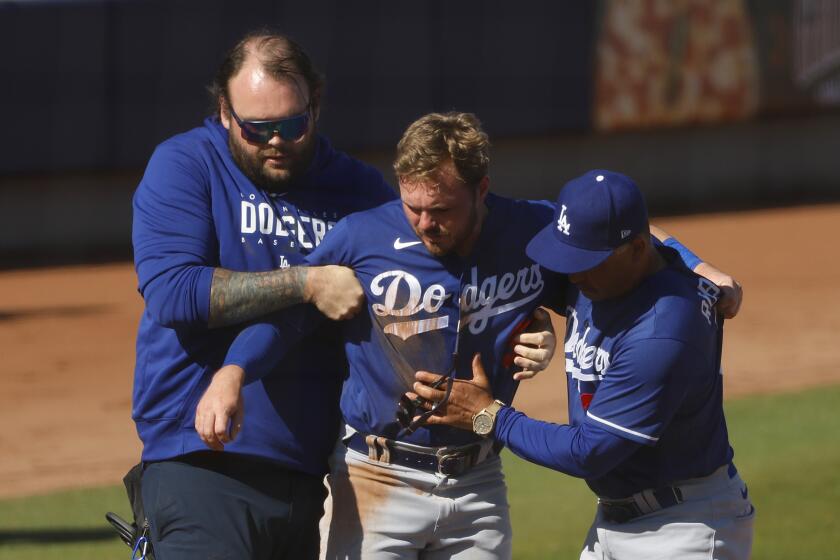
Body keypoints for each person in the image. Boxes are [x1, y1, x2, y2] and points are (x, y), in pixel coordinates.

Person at [204, 113, 742, 559]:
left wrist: (698, 266)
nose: (423, 222)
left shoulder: (530, 230)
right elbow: (293, 314)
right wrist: (234, 372)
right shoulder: (361, 237)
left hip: (478, 483)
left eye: (440, 209)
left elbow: (625, 235)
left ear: (482, 189)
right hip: (375, 478)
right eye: (411, 205)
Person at [130, 30, 399, 559]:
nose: (276, 140)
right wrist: (308, 280)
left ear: (316, 104)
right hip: (200, 459)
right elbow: (174, 292)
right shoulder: (187, 165)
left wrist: (523, 326)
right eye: (257, 128)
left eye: (292, 125)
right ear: (225, 112)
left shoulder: (358, 191)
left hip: (306, 471)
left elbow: (424, 275)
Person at [410, 170, 755, 559]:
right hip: (615, 521)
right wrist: (697, 262)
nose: (572, 272)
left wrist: (487, 415)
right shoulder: (606, 269)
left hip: (683, 529)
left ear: (637, 251)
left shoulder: (664, 330)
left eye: (587, 261)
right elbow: (641, 230)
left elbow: (588, 452)